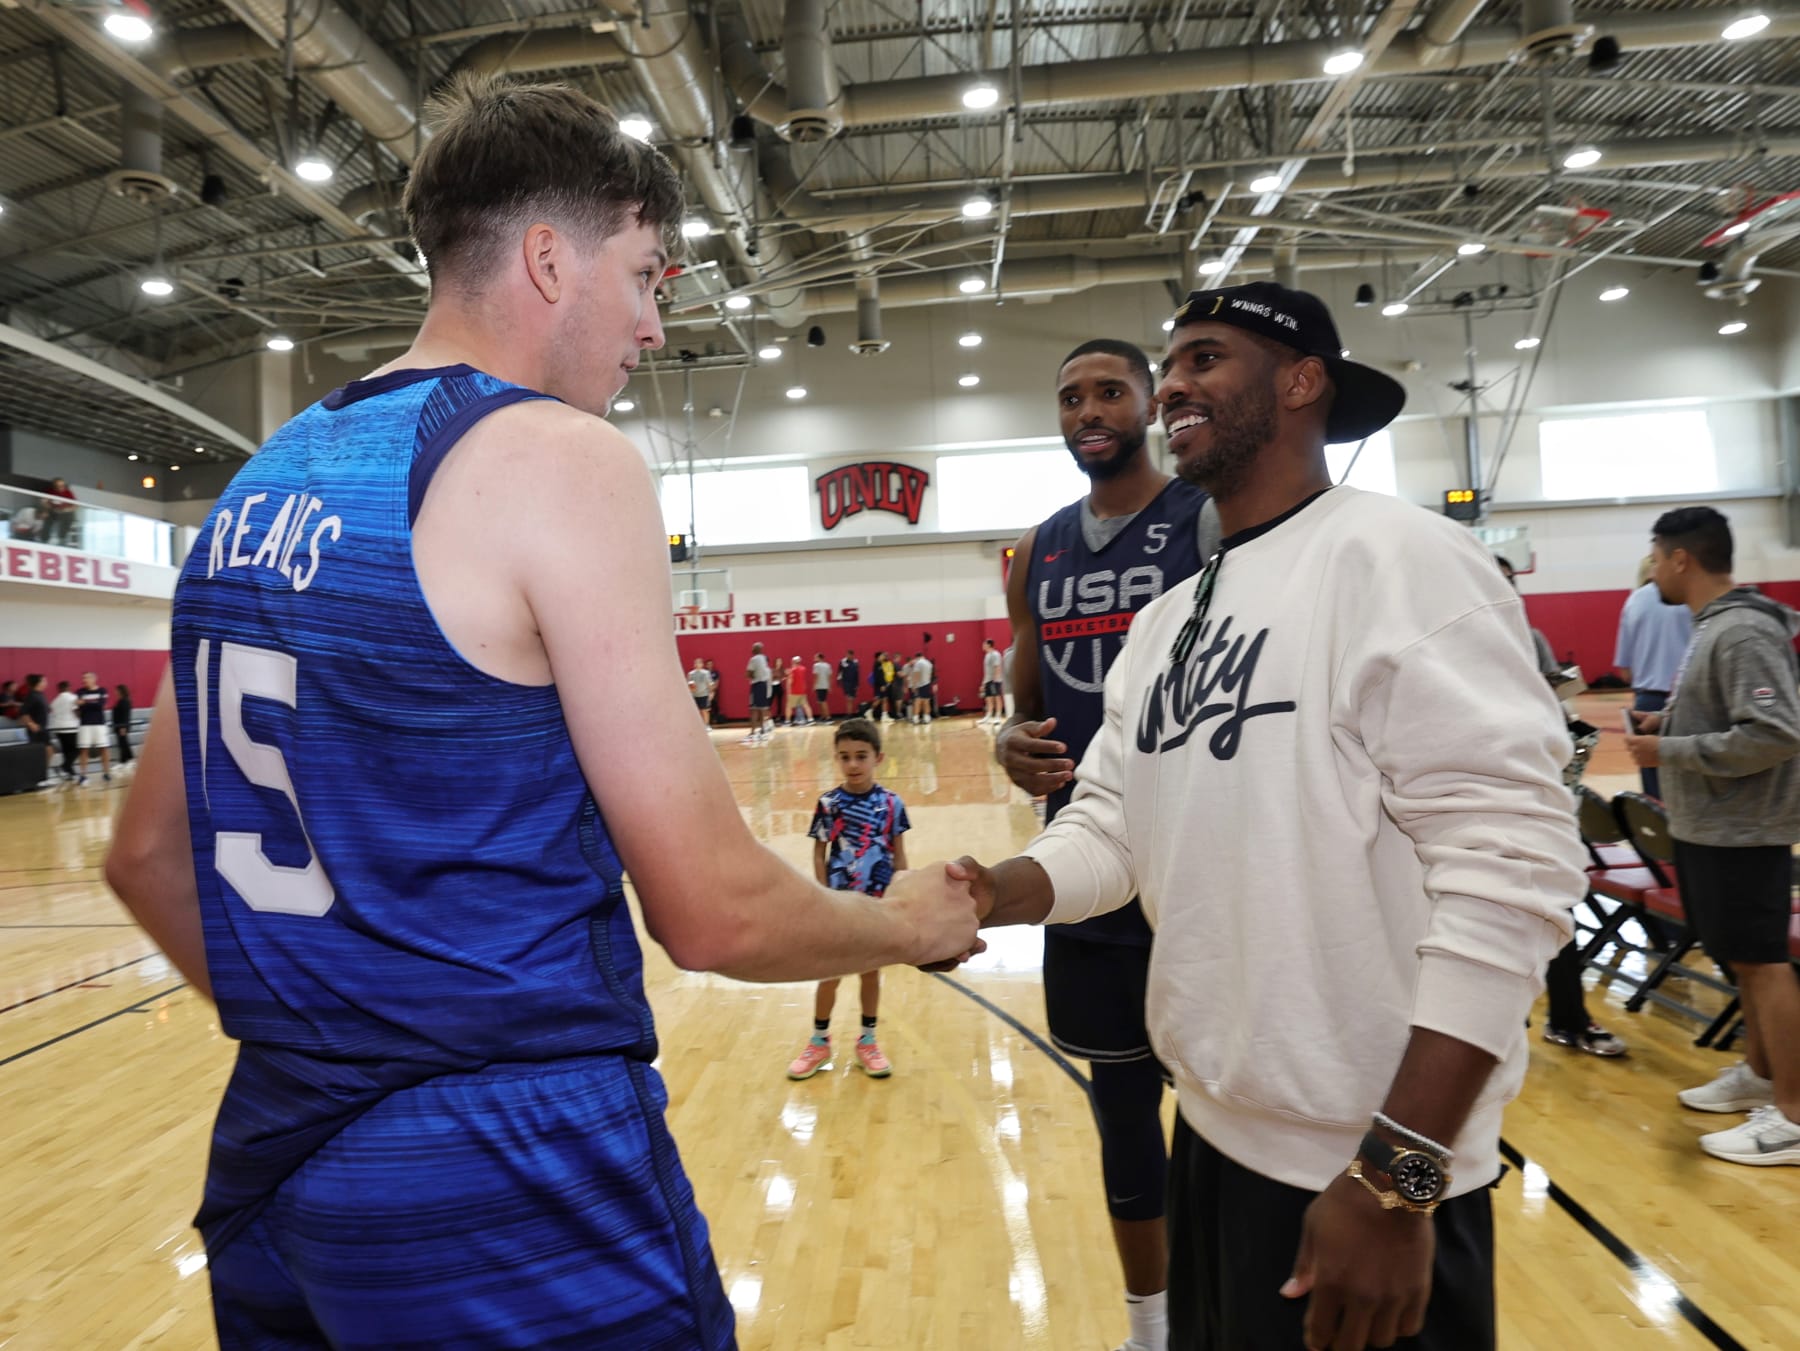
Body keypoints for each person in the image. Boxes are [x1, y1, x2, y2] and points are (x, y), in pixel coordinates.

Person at [103, 76, 978, 1351]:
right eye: (646, 276)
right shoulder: (557, 459)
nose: (654, 327)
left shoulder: (260, 480)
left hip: (281, 1156)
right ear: (551, 257)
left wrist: (345, 1052)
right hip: (512, 1160)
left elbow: (143, 857)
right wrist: (900, 923)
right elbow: (712, 906)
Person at [962, 282, 1584, 1351]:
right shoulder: (1167, 621)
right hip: (1214, 1138)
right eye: (1171, 367)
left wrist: (1400, 1176)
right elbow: (1110, 825)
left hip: (1370, 1166)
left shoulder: (1402, 560)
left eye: (1204, 359)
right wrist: (984, 895)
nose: (1171, 386)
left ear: (1302, 383)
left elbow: (1513, 876)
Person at [995, 334, 1213, 1351]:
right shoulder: (1039, 546)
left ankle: (1238, 1302)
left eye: (1110, 391)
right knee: (1122, 1113)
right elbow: (1026, 695)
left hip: (1201, 869)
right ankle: (1153, 1326)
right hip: (1085, 869)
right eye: (1072, 393)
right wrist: (1009, 739)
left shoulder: (1206, 518)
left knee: (1225, 1108)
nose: (1090, 409)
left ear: (1149, 404)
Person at [1623, 506, 1800, 1167]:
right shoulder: (1711, 627)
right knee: (1744, 962)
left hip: (1744, 828)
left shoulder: (1744, 631)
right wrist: (1665, 722)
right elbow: (1723, 716)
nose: (1652, 568)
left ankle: (1793, 1114)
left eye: (1656, 555)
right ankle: (1760, 1074)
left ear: (1681, 559)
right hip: (1710, 825)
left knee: (1763, 962)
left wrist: (1669, 750)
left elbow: (1776, 731)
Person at [787, 717, 911, 1082]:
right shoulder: (828, 804)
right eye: (844, 757)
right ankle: (819, 1040)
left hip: (876, 905)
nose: (853, 764)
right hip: (839, 905)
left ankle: (867, 1040)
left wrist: (902, 893)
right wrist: (823, 895)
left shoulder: (892, 804)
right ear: (836, 759)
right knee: (830, 974)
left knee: (870, 973)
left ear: (878, 757)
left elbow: (899, 854)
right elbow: (818, 853)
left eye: (861, 756)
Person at [1614, 556, 1693, 799]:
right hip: (1690, 701)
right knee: (1692, 783)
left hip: (1647, 704)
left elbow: (1624, 670)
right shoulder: (1691, 599)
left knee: (1655, 794)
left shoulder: (1634, 601)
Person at [73, 671, 112, 783]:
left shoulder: (102, 690)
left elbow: (101, 705)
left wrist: (84, 702)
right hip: (85, 725)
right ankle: (83, 775)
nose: (84, 680)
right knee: (84, 750)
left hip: (99, 725)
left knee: (104, 748)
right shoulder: (80, 691)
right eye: (83, 678)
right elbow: (79, 707)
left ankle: (106, 773)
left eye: (87, 678)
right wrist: (92, 703)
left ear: (94, 679)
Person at [18, 674, 52, 789]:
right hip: (36, 731)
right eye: (44, 680)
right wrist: (31, 723)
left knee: (49, 751)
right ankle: (37, 778)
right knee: (40, 753)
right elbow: (23, 712)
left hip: (44, 728)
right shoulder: (31, 695)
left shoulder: (40, 695)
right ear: (39, 682)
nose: (46, 682)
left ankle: (43, 776)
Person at [46, 679, 80, 783]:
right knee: (77, 749)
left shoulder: (55, 700)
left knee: (66, 750)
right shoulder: (73, 697)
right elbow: (76, 712)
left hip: (58, 728)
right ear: (68, 687)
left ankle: (70, 772)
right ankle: (65, 766)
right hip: (70, 727)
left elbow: (52, 711)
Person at [746, 640, 773, 743]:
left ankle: (753, 732)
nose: (751, 649)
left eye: (753, 647)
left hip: (757, 685)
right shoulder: (764, 660)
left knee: (753, 709)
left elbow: (748, 674)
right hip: (764, 686)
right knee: (762, 709)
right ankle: (762, 730)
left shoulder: (754, 659)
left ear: (756, 649)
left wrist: (751, 676)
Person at [42, 478, 78, 547]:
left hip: (65, 513)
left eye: (63, 486)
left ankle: (62, 538)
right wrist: (50, 508)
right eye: (59, 486)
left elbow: (75, 506)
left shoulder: (68, 492)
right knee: (47, 518)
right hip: (52, 512)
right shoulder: (50, 492)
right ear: (55, 486)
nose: (61, 488)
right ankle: (45, 540)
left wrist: (66, 510)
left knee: (68, 517)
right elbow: (44, 502)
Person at [979, 638, 1005, 726]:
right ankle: (988, 715)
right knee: (988, 698)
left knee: (997, 697)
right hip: (988, 680)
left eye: (984, 644)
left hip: (995, 680)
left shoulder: (995, 654)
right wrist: (983, 683)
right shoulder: (987, 655)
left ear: (989, 645)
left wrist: (995, 679)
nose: (983, 646)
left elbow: (997, 667)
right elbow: (986, 671)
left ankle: (998, 716)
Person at [907, 650, 934, 725]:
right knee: (926, 702)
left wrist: (914, 686)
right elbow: (931, 675)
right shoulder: (929, 663)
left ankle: (915, 719)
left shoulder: (918, 663)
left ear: (917, 657)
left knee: (917, 702)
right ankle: (927, 718)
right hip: (927, 684)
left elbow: (916, 675)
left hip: (920, 685)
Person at [112, 684, 135, 768]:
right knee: (122, 743)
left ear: (120, 691)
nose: (115, 692)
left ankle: (130, 759)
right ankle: (123, 761)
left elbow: (125, 715)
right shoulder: (121, 701)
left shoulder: (125, 701)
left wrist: (123, 727)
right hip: (118, 726)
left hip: (122, 726)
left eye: (116, 690)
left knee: (124, 743)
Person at [786, 655, 813, 725]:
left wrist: (788, 690)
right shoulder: (803, 669)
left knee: (789, 706)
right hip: (802, 691)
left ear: (793, 662)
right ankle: (810, 719)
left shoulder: (792, 670)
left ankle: (788, 721)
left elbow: (790, 681)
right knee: (806, 705)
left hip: (794, 692)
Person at [687, 657, 714, 725]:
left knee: (704, 710)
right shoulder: (691, 674)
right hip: (695, 695)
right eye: (696, 663)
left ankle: (706, 725)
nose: (697, 664)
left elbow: (709, 683)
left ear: (702, 664)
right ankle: (700, 726)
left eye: (699, 663)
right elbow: (689, 684)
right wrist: (691, 689)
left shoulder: (706, 673)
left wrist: (711, 692)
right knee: (698, 711)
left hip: (704, 694)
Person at [838, 648, 860, 715]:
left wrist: (857, 684)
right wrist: (839, 681)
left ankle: (850, 713)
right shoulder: (843, 662)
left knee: (851, 699)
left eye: (849, 655)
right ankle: (849, 714)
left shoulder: (856, 662)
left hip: (853, 683)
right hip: (846, 683)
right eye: (847, 654)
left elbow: (857, 674)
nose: (847, 656)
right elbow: (840, 672)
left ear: (852, 655)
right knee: (848, 699)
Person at [812, 652, 833, 720]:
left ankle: (827, 716)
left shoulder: (816, 665)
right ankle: (823, 715)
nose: (814, 658)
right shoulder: (828, 665)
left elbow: (816, 676)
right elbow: (830, 676)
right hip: (825, 685)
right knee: (820, 701)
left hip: (819, 685)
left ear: (819, 658)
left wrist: (814, 685)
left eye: (816, 657)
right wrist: (829, 686)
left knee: (822, 701)